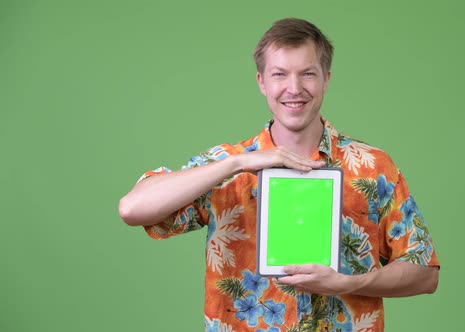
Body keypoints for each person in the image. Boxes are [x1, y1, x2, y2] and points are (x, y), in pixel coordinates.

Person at [119, 17, 439, 331]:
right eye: (279, 74)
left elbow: (425, 274)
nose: (294, 88)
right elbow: (132, 209)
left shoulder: (372, 166)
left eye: (308, 74)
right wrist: (237, 164)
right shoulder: (226, 166)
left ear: (326, 78)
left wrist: (348, 282)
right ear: (261, 81)